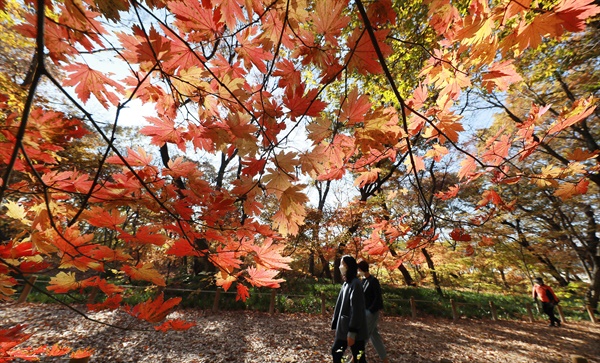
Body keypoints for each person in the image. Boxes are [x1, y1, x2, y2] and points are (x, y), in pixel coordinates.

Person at [331, 255, 368, 363]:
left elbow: (356, 309)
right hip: (344, 327)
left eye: (343, 264)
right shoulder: (347, 283)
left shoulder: (355, 284)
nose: (340, 266)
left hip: (352, 329)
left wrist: (352, 332)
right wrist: (336, 322)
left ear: (349, 266)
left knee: (357, 357)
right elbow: (340, 306)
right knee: (340, 353)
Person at [358, 259, 390, 363]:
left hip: (371, 312)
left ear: (362, 269)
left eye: (359, 269)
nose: (358, 271)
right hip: (365, 312)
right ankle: (385, 360)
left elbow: (378, 298)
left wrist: (371, 311)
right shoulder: (363, 281)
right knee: (375, 336)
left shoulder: (373, 281)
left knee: (364, 336)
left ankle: (354, 358)